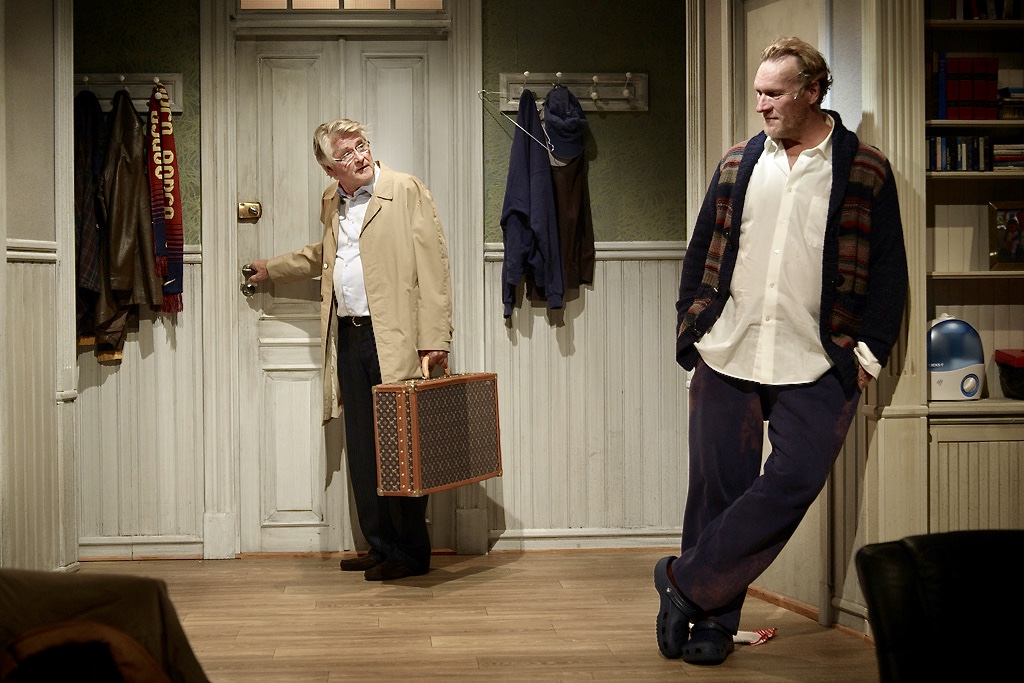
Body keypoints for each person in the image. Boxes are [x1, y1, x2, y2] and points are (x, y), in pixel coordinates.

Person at [656, 37, 908, 665]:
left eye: (774, 93)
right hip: (729, 351)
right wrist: (693, 332)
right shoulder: (737, 163)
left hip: (819, 358)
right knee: (716, 488)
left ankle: (684, 584)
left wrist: (868, 356)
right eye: (758, 92)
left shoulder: (865, 169)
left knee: (795, 478)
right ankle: (713, 623)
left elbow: (888, 271)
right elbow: (701, 252)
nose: (761, 104)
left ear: (812, 92)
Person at [246, 118, 453, 581]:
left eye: (361, 146)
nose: (360, 157)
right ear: (328, 168)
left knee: (402, 446)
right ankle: (379, 545)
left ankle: (410, 554)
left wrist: (436, 337)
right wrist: (273, 269)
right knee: (362, 446)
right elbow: (325, 255)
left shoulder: (405, 189)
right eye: (346, 154)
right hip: (349, 335)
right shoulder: (331, 200)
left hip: (395, 337)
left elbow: (434, 265)